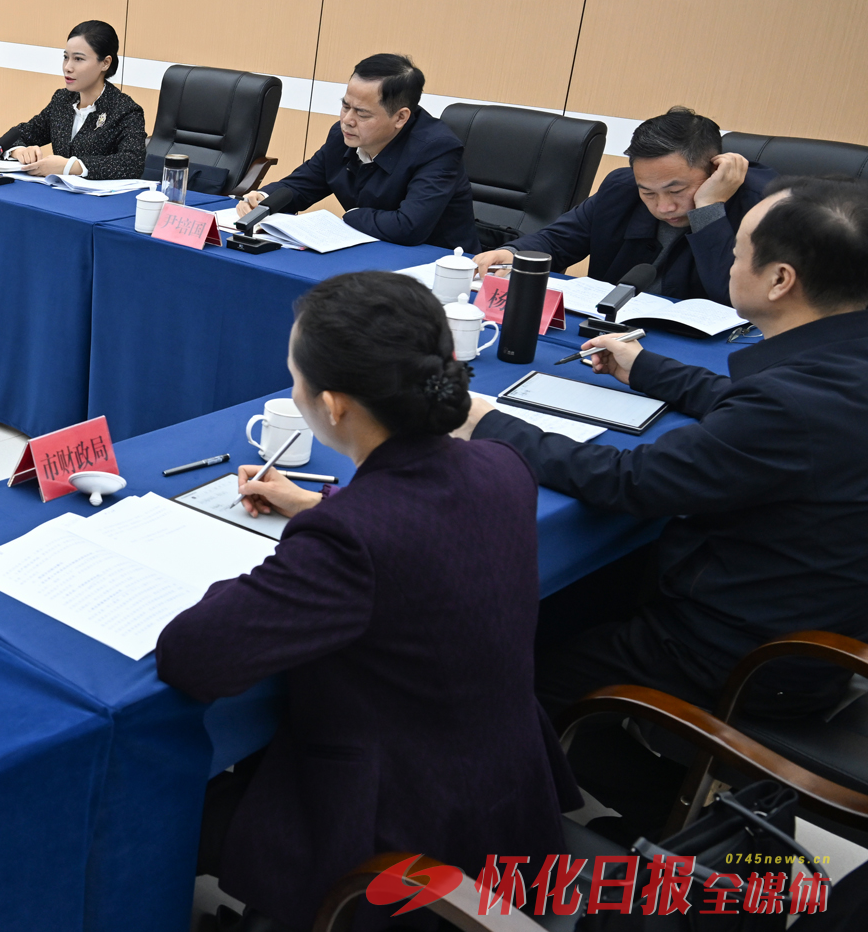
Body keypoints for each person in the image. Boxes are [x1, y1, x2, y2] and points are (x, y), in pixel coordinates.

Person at [157, 271, 575, 931]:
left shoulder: (350, 538)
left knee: (169, 807)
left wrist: (315, 532)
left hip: (392, 834)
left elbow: (192, 654)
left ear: (333, 405)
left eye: (293, 378)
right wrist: (317, 505)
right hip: (507, 800)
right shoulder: (502, 465)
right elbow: (422, 529)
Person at [455, 176, 868, 834]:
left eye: (738, 249)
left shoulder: (789, 405)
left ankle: (673, 819)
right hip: (816, 617)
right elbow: (763, 413)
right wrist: (645, 367)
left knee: (503, 668)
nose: (727, 259)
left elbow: (630, 482)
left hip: (742, 653)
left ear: (780, 280)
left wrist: (487, 423)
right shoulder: (835, 367)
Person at [471, 107, 774, 304]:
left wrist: (709, 207)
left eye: (677, 190)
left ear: (714, 169)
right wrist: (512, 253)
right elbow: (558, 240)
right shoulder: (622, 189)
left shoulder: (763, 206)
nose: (664, 207)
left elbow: (736, 297)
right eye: (648, 193)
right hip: (612, 332)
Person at [237, 54, 478, 249]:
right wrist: (264, 200)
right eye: (345, 106)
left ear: (400, 117)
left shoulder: (437, 149)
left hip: (437, 267)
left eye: (362, 113)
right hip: (371, 250)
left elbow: (408, 227)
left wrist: (351, 216)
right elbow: (302, 185)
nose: (347, 120)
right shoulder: (342, 136)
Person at [0, 20, 147, 180]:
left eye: (78, 59)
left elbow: (132, 163)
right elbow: (17, 136)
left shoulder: (125, 110)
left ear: (105, 63)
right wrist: (19, 151)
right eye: (66, 57)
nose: (67, 67)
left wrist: (71, 167)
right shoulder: (62, 100)